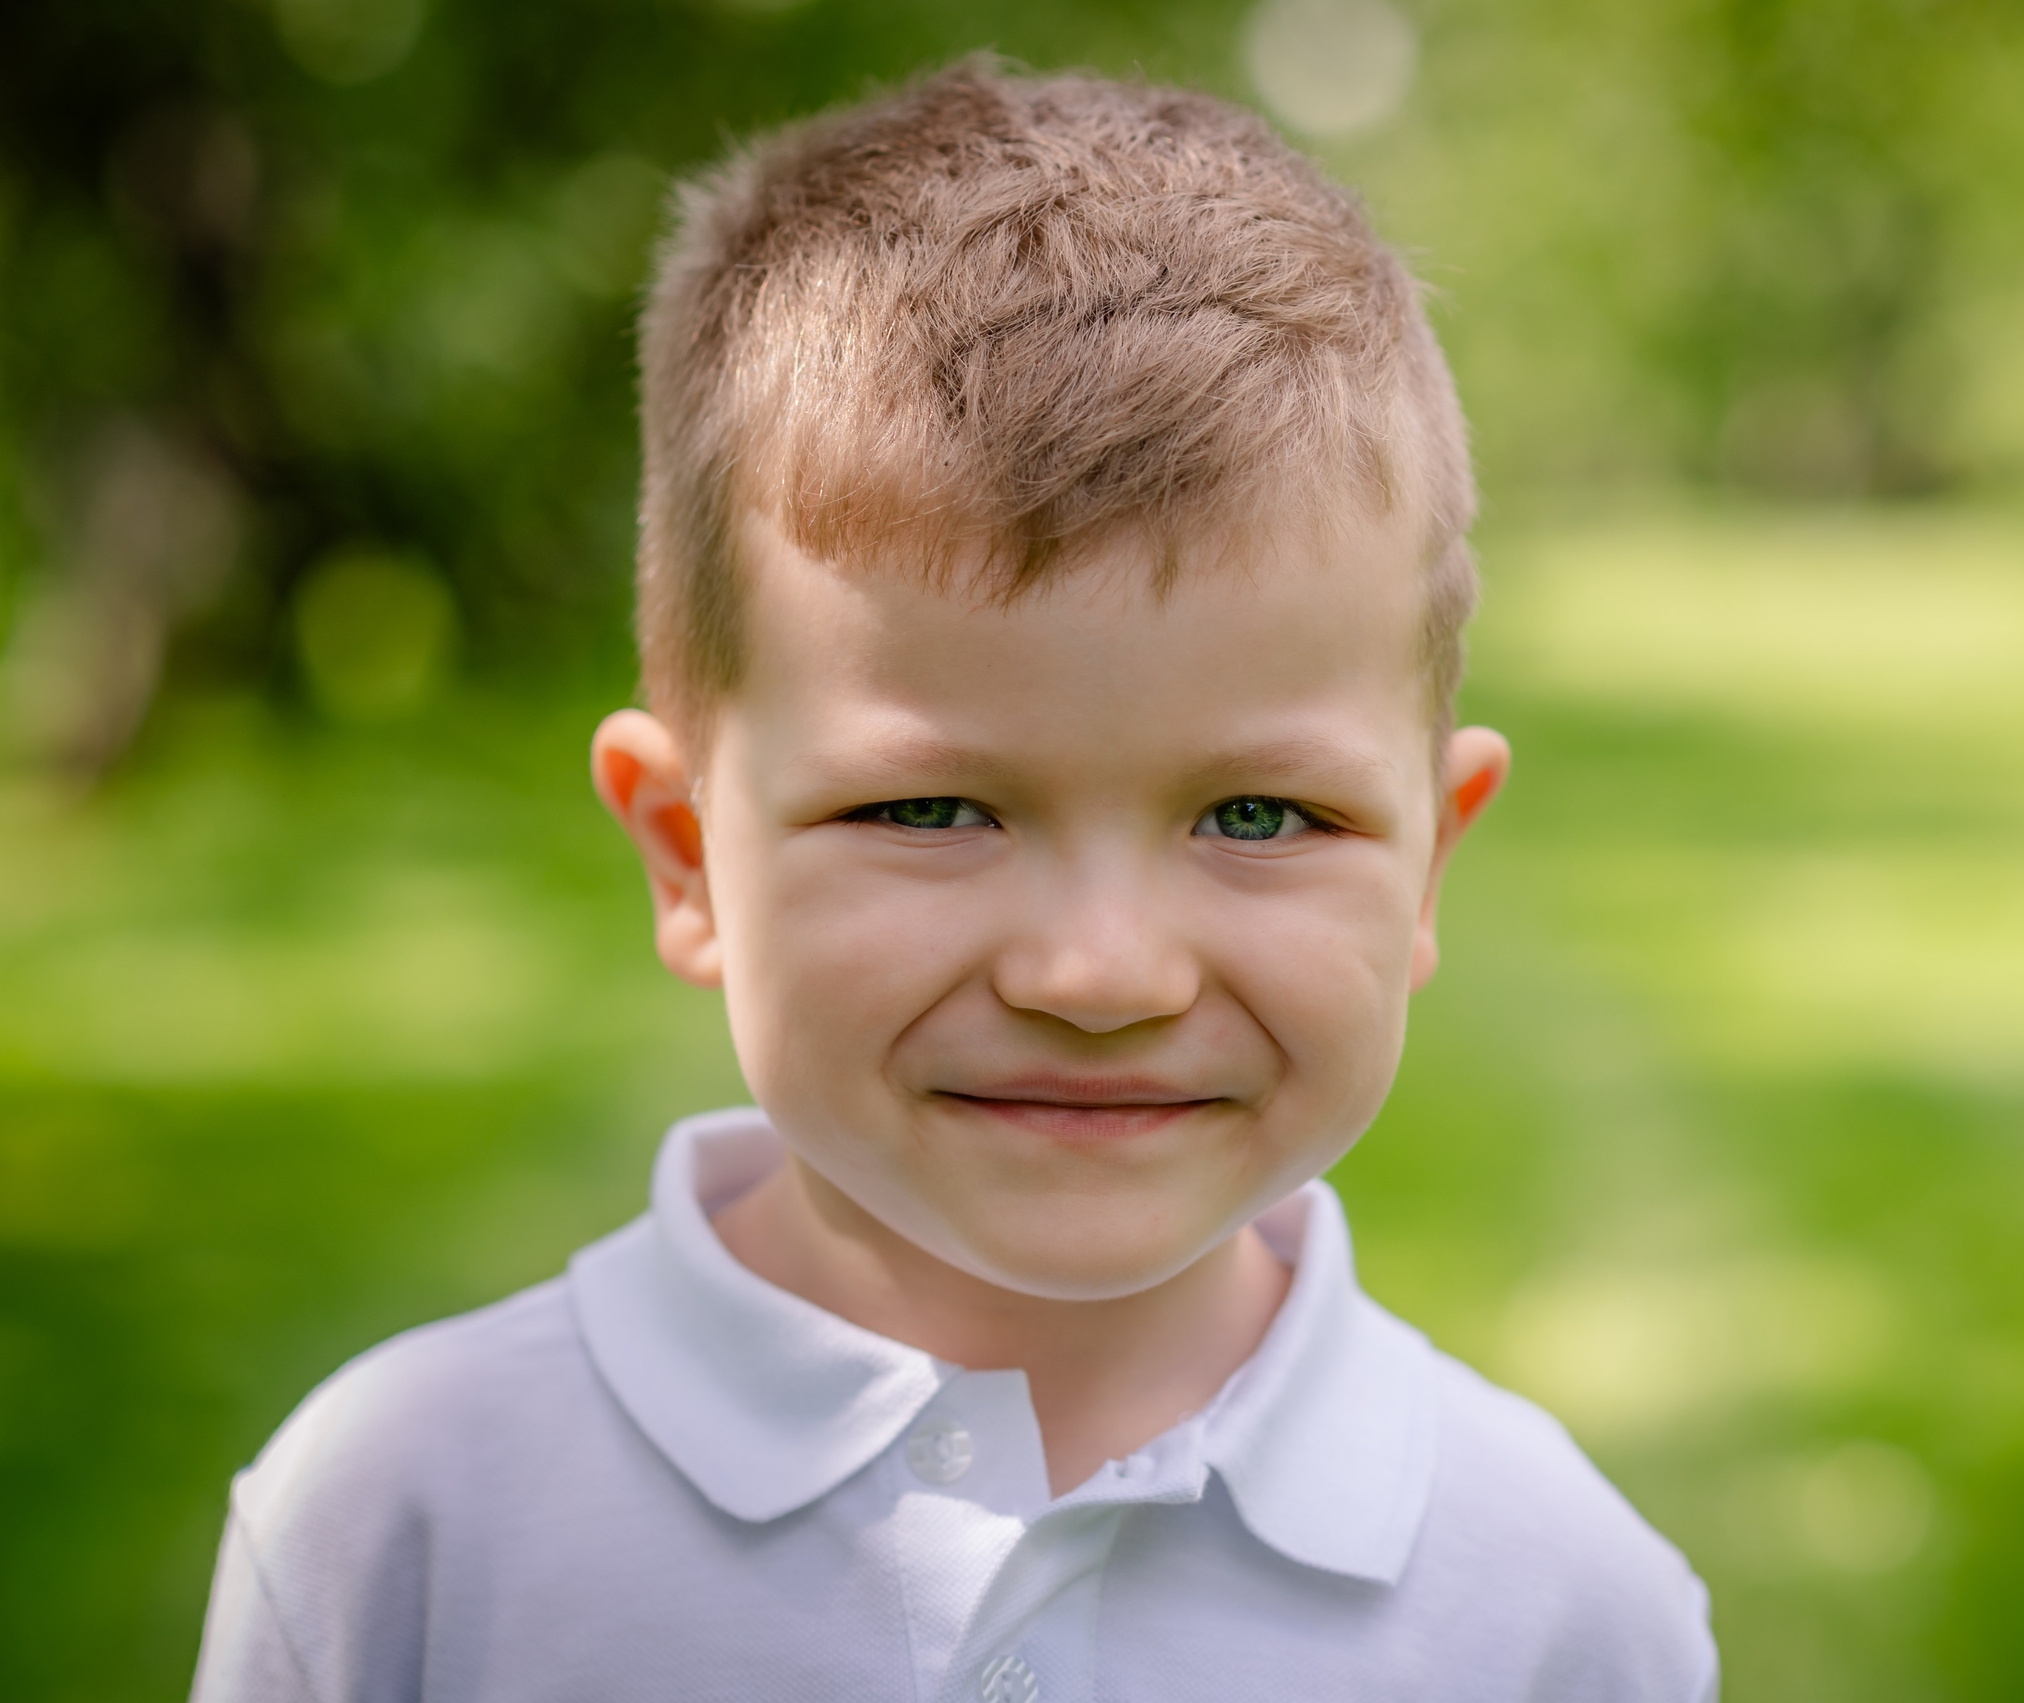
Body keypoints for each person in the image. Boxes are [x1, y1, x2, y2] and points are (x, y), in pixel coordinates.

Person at [189, 61, 1717, 1703]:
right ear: (689, 853)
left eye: (1260, 819)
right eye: (932, 807)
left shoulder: (1559, 1605)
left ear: (1430, 859)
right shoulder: (406, 1523)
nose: (1101, 972)